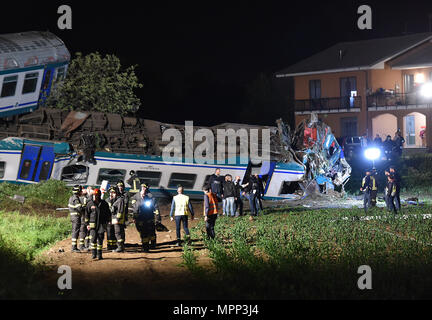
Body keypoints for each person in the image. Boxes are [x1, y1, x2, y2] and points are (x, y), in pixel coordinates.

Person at [132, 184, 161, 252]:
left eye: (144, 187)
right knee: (144, 233)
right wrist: (135, 218)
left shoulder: (151, 197)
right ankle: (146, 247)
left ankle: (152, 245)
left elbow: (156, 208)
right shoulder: (136, 197)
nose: (143, 188)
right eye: (142, 187)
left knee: (151, 232)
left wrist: (158, 218)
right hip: (141, 219)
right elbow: (135, 209)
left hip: (149, 218)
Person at [86, 188, 111, 260]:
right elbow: (86, 214)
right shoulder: (90, 204)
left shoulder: (104, 204)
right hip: (93, 225)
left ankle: (99, 255)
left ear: (99, 195)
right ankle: (94, 254)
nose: (95, 196)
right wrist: (87, 224)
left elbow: (108, 213)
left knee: (100, 240)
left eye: (97, 195)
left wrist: (108, 221)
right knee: (93, 240)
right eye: (94, 195)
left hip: (101, 225)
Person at [108, 187, 126, 253]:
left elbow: (120, 211)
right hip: (115, 219)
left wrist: (118, 219)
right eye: (111, 193)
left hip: (118, 220)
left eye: (114, 193)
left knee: (118, 233)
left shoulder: (120, 200)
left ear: (117, 193)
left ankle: (120, 247)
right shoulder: (115, 200)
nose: (112, 194)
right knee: (117, 233)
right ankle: (120, 247)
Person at [68, 185, 85, 253]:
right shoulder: (76, 199)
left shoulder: (72, 197)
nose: (81, 192)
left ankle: (74, 247)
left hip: (73, 217)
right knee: (75, 231)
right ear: (78, 192)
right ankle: (74, 247)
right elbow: (79, 209)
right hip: (76, 217)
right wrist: (84, 207)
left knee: (75, 231)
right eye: (81, 191)